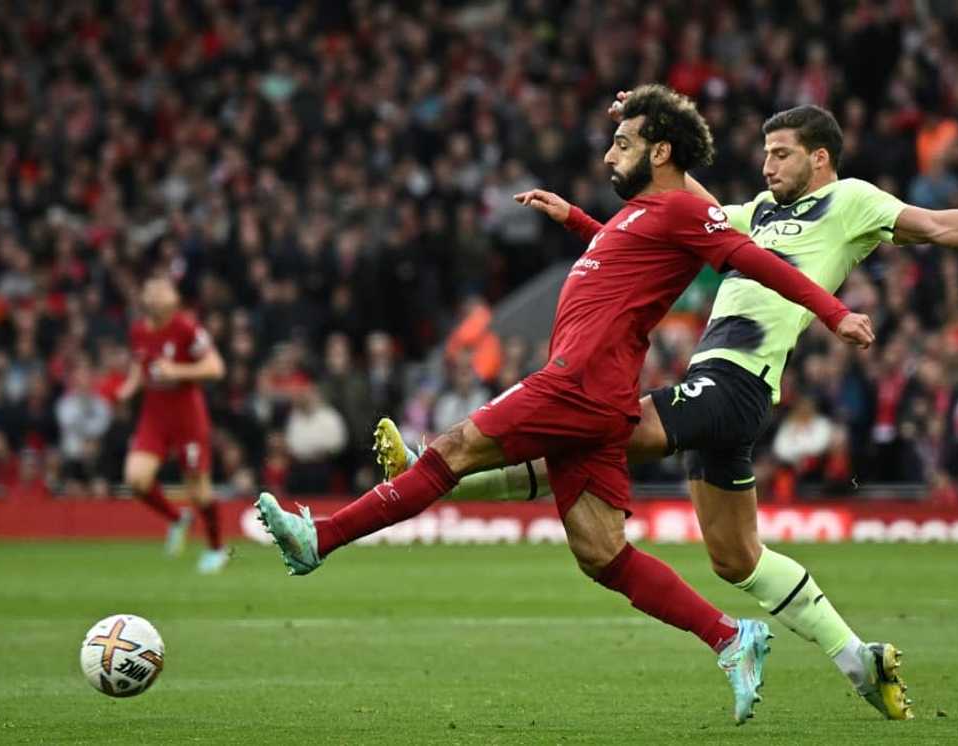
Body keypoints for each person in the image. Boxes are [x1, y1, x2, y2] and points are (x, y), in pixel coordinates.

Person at [373, 98, 958, 721]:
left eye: (781, 154)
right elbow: (651, 232)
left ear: (820, 157)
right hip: (724, 390)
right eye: (764, 154)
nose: (767, 166)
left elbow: (937, 225)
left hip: (733, 383)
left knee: (588, 428)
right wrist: (590, 202)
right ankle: (857, 660)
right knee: (736, 558)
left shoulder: (852, 203)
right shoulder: (753, 213)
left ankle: (440, 469)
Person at [256, 84, 874, 725]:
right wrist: (575, 218)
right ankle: (730, 638)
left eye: (624, 143)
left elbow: (758, 261)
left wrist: (834, 314)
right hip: (598, 395)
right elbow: (624, 253)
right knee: (601, 552)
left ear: (661, 151)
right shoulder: (641, 214)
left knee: (453, 449)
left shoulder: (688, 214)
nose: (611, 154)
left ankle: (319, 538)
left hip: (578, 383)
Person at [117, 275, 229, 574]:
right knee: (136, 479)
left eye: (161, 289)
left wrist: (177, 370)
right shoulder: (138, 331)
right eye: (150, 289)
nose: (154, 294)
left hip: (187, 416)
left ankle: (217, 549)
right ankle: (178, 518)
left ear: (174, 299)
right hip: (154, 416)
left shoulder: (186, 329)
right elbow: (140, 366)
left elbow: (216, 367)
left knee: (199, 492)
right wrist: (127, 389)